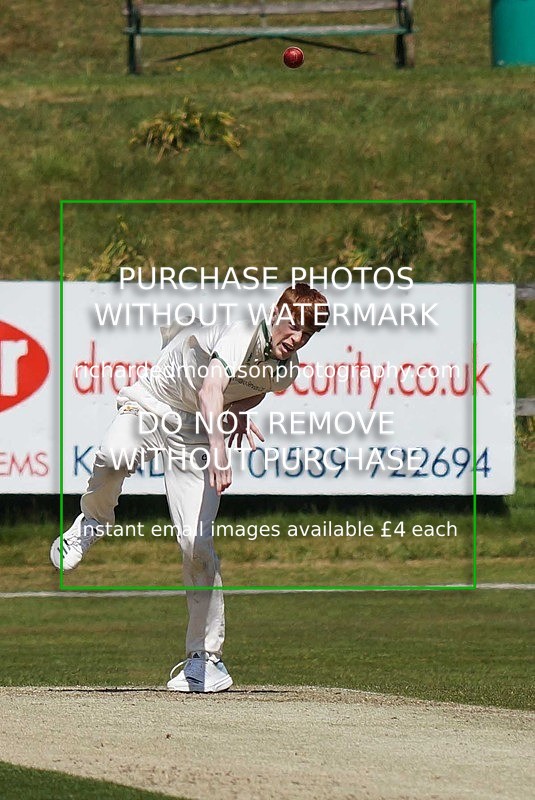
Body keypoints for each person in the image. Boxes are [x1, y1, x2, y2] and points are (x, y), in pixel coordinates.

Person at [50, 283, 329, 692]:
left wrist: (233, 415)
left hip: (195, 430)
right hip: (153, 402)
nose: (297, 339)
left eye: (308, 335)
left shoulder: (285, 370)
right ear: (277, 312)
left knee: (196, 544)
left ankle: (205, 660)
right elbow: (211, 387)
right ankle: (92, 522)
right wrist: (219, 449)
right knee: (114, 456)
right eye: (294, 327)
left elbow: (250, 394)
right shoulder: (243, 328)